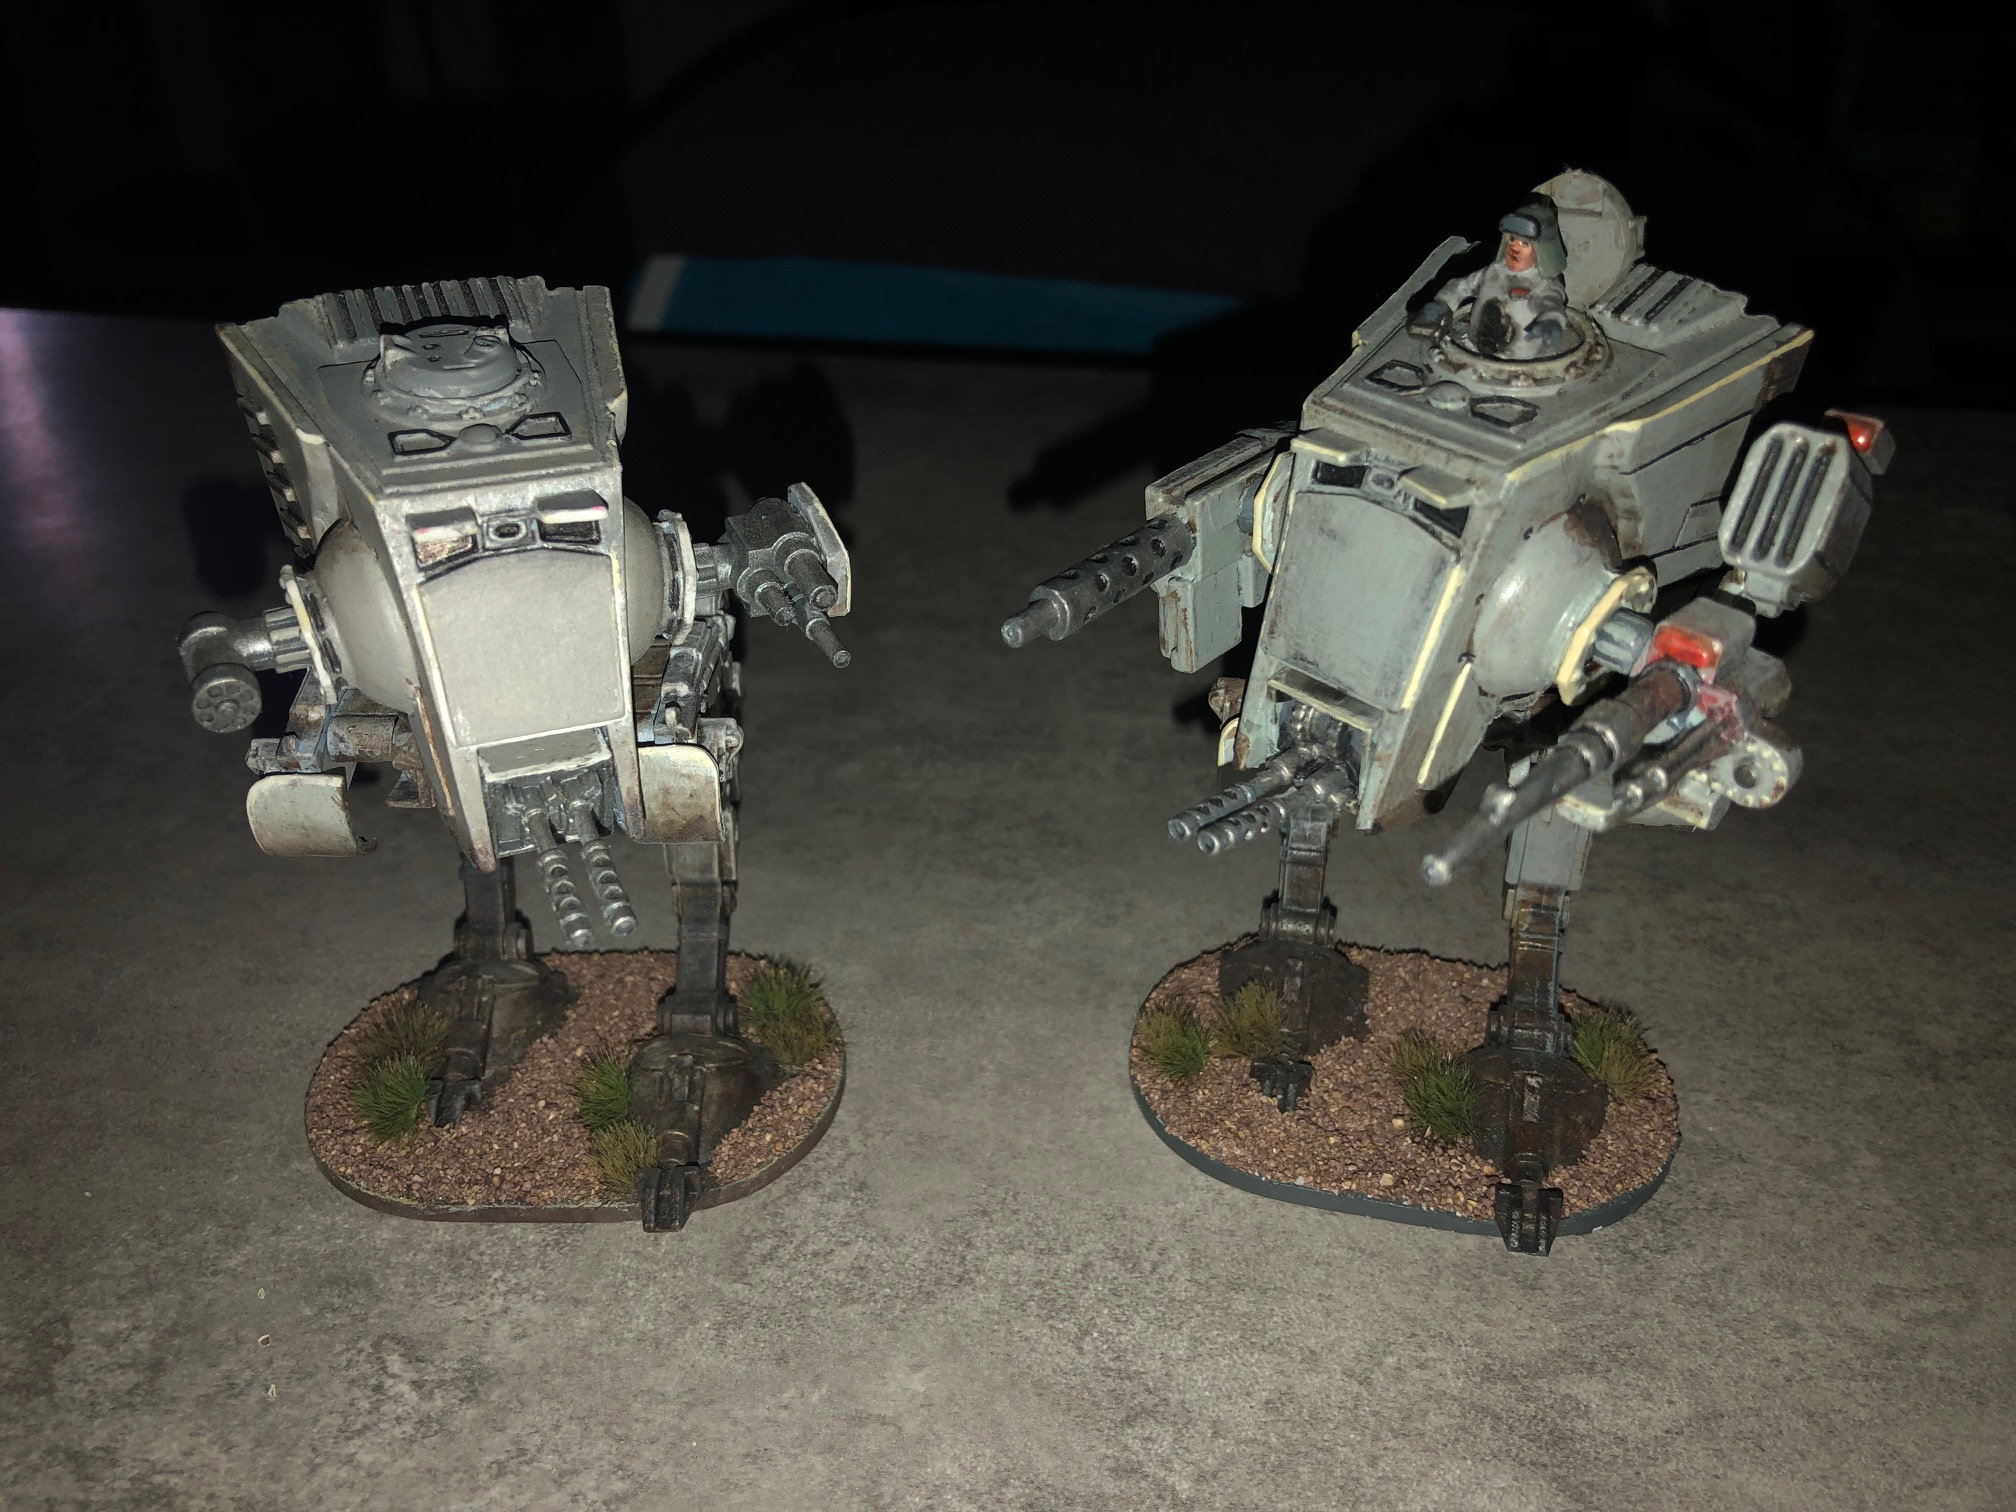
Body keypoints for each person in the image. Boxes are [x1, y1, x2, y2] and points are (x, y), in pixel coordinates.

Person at [1414, 198, 1574, 360]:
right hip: (1475, 350)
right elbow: (1462, 286)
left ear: (1542, 250)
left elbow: (1553, 304)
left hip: (1524, 361)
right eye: (1512, 239)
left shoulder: (1543, 283)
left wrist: (1551, 322)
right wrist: (1441, 303)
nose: (1515, 248)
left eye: (1525, 244)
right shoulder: (1494, 272)